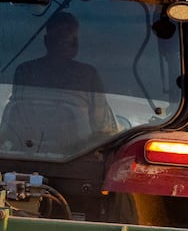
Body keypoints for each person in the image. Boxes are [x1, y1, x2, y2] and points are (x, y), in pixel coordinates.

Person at [7, 12, 115, 143]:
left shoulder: (25, 70)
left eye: (70, 39)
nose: (64, 43)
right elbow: (102, 127)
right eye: (60, 38)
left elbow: (101, 129)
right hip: (29, 149)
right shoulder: (25, 71)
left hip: (32, 149)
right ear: (47, 41)